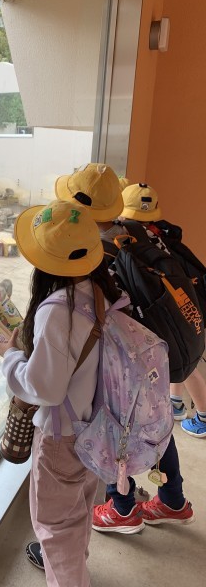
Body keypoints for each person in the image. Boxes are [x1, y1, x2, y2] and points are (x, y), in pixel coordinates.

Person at [0, 198, 121, 587]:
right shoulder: (100, 292)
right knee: (75, 520)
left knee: (54, 531)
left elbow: (44, 388)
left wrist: (10, 356)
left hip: (62, 437)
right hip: (95, 429)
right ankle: (76, 571)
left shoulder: (56, 309)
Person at [54, 168, 195, 533]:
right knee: (156, 420)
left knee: (114, 424)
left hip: (123, 357)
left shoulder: (92, 250)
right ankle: (172, 499)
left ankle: (122, 507)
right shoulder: (133, 231)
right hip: (155, 348)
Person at [121, 182, 206, 438]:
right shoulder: (161, 233)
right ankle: (176, 403)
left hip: (166, 311)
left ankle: (204, 416)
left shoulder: (131, 238)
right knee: (176, 355)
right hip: (183, 305)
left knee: (185, 364)